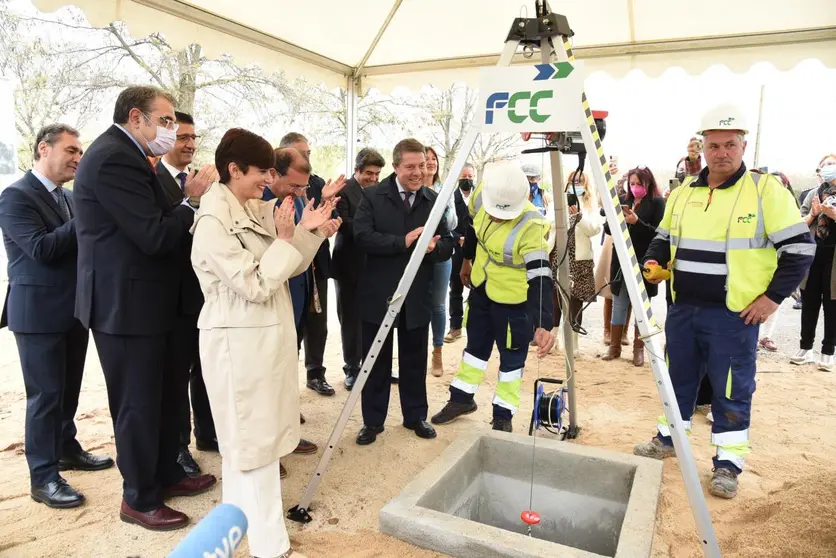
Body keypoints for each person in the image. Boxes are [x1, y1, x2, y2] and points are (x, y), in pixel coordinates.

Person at [635, 104, 814, 499]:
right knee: (677, 378)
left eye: (730, 145)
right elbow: (665, 237)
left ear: (743, 145)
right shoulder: (684, 193)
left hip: (735, 315)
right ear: (703, 146)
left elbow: (801, 249)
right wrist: (653, 258)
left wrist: (772, 299)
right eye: (714, 145)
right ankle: (668, 439)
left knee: (732, 388)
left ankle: (728, 465)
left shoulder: (766, 191)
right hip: (683, 310)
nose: (722, 153)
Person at [73, 85, 216, 530]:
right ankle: (138, 496)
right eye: (167, 121)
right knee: (137, 404)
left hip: (157, 302)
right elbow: (154, 233)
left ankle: (167, 473)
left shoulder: (137, 156)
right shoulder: (113, 157)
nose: (171, 132)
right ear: (136, 117)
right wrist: (191, 200)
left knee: (167, 394)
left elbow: (161, 219)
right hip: (126, 305)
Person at [191, 128, 339, 558]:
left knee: (252, 448)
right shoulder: (214, 222)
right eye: (261, 172)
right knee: (252, 449)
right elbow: (256, 284)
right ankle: (270, 545)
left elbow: (286, 266)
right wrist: (290, 239)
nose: (267, 181)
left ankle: (237, 529)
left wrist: (309, 233)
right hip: (238, 348)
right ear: (233, 170)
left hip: (260, 343)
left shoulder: (247, 207)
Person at [0, 124, 114, 509]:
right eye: (71, 150)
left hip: (73, 311)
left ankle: (67, 448)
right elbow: (41, 249)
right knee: (45, 397)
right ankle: (43, 477)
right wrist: (86, 214)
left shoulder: (66, 198)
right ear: (42, 149)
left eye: (80, 151)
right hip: (37, 316)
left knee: (66, 393)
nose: (78, 158)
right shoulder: (14, 197)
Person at [431, 162, 555, 432]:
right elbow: (473, 228)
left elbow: (541, 276)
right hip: (482, 291)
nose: (497, 217)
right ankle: (461, 399)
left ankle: (503, 415)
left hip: (513, 303)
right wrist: (466, 261)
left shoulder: (532, 225)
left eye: (504, 214)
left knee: (511, 361)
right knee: (475, 350)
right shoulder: (481, 194)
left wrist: (544, 321)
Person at [353, 138, 454, 446]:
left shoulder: (434, 199)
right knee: (375, 362)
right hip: (378, 294)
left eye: (422, 166)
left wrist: (436, 247)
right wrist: (403, 242)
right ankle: (372, 422)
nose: (417, 173)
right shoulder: (372, 197)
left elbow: (450, 241)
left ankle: (415, 416)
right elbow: (361, 237)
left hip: (417, 296)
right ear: (395, 166)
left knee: (414, 359)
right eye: (410, 167)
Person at [155, 111, 219, 477]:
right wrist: (189, 201)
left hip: (203, 292)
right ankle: (179, 447)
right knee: (177, 375)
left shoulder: (203, 182)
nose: (190, 144)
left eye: (193, 137)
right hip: (169, 297)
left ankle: (209, 435)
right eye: (182, 137)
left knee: (206, 367)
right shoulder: (152, 179)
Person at [269, 133, 344, 397]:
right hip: (278, 287)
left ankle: (292, 400)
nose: (301, 191)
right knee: (278, 354)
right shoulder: (263, 200)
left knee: (302, 338)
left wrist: (320, 230)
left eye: (309, 154)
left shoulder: (300, 193)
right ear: (273, 172)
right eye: (295, 186)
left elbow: (306, 233)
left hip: (304, 280)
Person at [599, 166, 665, 366]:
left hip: (645, 260)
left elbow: (658, 233)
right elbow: (609, 229)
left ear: (648, 184)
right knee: (619, 302)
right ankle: (615, 346)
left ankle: (639, 349)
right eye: (632, 183)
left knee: (642, 307)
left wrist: (637, 222)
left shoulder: (657, 203)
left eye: (639, 184)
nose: (635, 187)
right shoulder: (624, 200)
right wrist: (614, 216)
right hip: (621, 259)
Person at [332, 147, 386, 390]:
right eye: (369, 174)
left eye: (377, 174)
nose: (373, 179)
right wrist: (372, 229)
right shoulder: (343, 192)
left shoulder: (381, 192)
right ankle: (351, 369)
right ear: (357, 170)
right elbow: (344, 225)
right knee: (351, 320)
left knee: (373, 317)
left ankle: (371, 366)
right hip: (348, 266)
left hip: (374, 266)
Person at [792, 153, 836, 371]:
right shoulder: (812, 195)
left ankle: (828, 351)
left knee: (832, 304)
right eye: (824, 165)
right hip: (812, 255)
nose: (827, 168)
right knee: (809, 302)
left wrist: (834, 215)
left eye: (831, 164)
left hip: (833, 260)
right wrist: (814, 213)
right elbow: (798, 224)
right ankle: (805, 347)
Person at [556, 171, 601, 356]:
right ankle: (555, 337)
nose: (576, 184)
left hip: (581, 258)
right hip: (561, 253)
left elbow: (594, 229)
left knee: (576, 301)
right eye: (573, 181)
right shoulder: (559, 200)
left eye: (580, 181)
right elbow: (550, 223)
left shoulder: (590, 204)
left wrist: (579, 216)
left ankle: (574, 342)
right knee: (557, 298)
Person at [423, 146, 458, 377]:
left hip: (441, 253)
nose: (431, 162)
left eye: (434, 159)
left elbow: (453, 223)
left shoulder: (445, 190)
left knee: (438, 304)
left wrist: (443, 206)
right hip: (415, 253)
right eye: (426, 159)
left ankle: (437, 351)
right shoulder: (410, 190)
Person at [444, 163, 475, 344]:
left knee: (475, 287)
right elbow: (446, 224)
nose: (467, 180)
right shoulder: (450, 198)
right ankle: (455, 327)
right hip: (457, 249)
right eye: (464, 177)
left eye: (470, 177)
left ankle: (473, 325)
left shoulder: (479, 198)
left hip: (476, 250)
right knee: (455, 287)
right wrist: (458, 239)